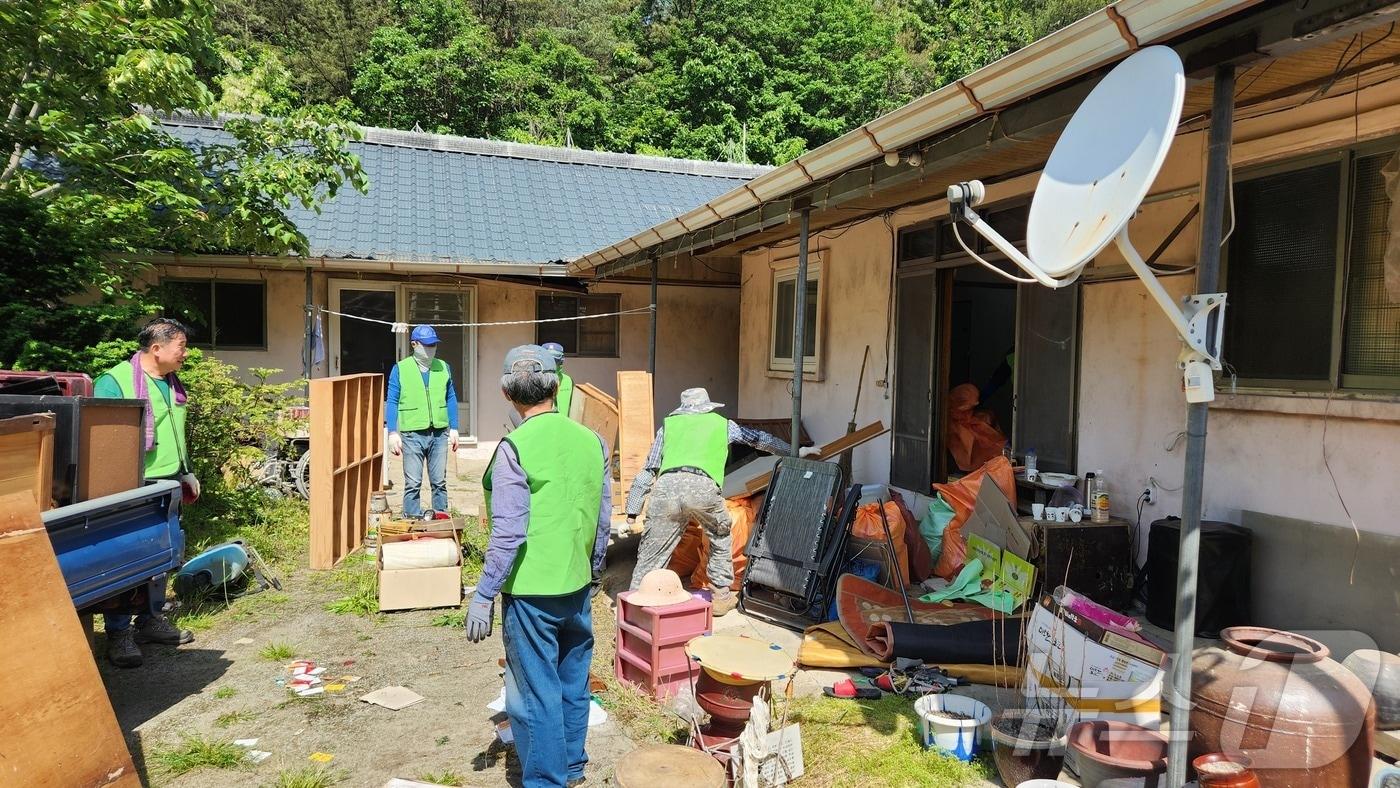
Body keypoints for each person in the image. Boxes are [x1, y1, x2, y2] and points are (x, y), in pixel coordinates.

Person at [466, 344, 610, 788]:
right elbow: (603, 517)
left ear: (508, 394)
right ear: (556, 385)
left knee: (534, 694)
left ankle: (547, 781)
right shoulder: (592, 440)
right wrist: (595, 569)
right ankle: (572, 767)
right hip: (576, 584)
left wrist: (484, 592)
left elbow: (509, 532)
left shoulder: (515, 448)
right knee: (572, 681)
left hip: (531, 592)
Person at [625, 388, 818, 616]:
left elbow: (649, 469)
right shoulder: (723, 424)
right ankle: (720, 596)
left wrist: (632, 509)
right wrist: (795, 451)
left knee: (653, 549)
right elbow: (760, 440)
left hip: (666, 487)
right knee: (719, 537)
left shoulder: (668, 426)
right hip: (702, 487)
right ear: (707, 407)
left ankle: (634, 605)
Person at [92, 317, 198, 667]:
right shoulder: (116, 381)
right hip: (130, 486)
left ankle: (150, 620)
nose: (185, 353)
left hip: (168, 483)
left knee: (162, 557)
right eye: (181, 347)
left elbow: (175, 433)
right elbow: (100, 441)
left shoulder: (171, 382)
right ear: (156, 348)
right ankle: (119, 633)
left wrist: (186, 472)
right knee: (125, 560)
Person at [386, 325, 460, 518]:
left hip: (439, 433)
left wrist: (454, 428)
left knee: (439, 482)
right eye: (426, 345)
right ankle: (412, 520)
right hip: (412, 434)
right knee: (413, 483)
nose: (430, 349)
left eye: (433, 345)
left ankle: (441, 520)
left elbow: (450, 397)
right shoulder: (400, 369)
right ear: (414, 344)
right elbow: (392, 400)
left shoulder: (444, 367)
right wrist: (392, 432)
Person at [542, 342, 574, 417]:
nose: (552, 364)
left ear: (561, 361)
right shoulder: (537, 380)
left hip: (564, 425)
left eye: (555, 361)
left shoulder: (568, 381)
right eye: (548, 361)